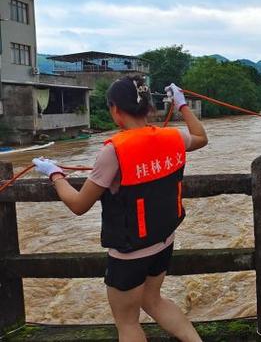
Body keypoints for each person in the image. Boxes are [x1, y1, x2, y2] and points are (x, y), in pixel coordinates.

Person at [33, 75, 207, 342]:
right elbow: (200, 137)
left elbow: (79, 205)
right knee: (154, 300)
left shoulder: (114, 151)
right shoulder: (173, 136)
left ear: (114, 109)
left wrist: (55, 174)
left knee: (127, 323)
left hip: (129, 253)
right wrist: (182, 105)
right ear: (150, 108)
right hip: (164, 241)